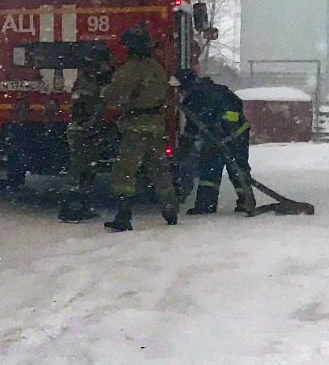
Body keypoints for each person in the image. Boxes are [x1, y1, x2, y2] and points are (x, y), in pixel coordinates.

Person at [100, 23, 178, 232]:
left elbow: (114, 95)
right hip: (155, 125)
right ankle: (171, 211)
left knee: (125, 171)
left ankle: (123, 216)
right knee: (159, 169)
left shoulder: (130, 69)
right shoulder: (157, 68)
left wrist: (104, 88)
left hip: (135, 126)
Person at [179, 70, 253, 215]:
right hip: (219, 137)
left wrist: (222, 127)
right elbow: (193, 126)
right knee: (216, 168)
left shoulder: (202, 96)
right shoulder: (203, 95)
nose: (180, 93)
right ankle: (211, 204)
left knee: (230, 168)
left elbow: (192, 128)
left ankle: (241, 202)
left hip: (233, 136)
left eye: (180, 90)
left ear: (185, 86)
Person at [58, 40, 115, 222]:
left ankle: (81, 206)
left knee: (87, 170)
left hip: (87, 130)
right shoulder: (88, 81)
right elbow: (92, 102)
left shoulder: (90, 78)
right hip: (83, 130)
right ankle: (70, 209)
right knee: (79, 170)